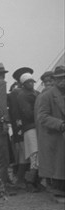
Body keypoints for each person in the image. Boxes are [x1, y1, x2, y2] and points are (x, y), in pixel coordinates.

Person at [35, 65, 65, 197]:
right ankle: (56, 187)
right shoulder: (46, 96)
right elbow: (42, 117)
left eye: (64, 78)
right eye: (59, 79)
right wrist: (60, 124)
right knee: (57, 165)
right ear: (54, 80)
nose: (62, 81)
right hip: (55, 135)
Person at [9, 67, 33, 188]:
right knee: (24, 154)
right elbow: (15, 112)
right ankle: (21, 180)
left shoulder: (27, 92)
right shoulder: (16, 92)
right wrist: (18, 128)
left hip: (25, 126)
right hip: (22, 127)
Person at [17, 72, 41, 191]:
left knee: (39, 155)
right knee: (35, 155)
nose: (31, 84)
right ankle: (29, 181)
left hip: (37, 126)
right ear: (23, 84)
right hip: (30, 127)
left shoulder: (36, 93)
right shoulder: (22, 95)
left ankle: (35, 181)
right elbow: (28, 113)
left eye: (32, 82)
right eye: (28, 82)